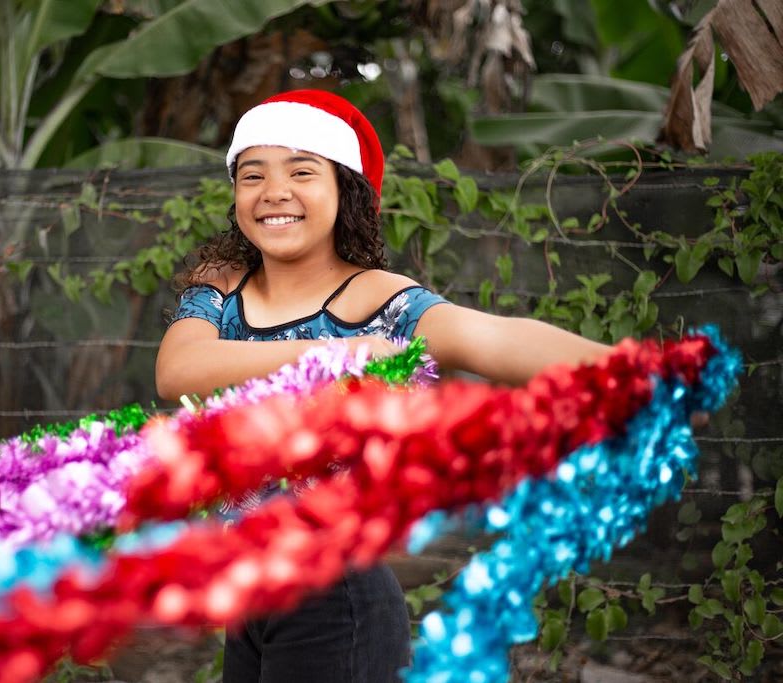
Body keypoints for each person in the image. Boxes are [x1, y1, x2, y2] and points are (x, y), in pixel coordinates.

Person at [154, 90, 610, 683]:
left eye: (301, 170)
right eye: (252, 173)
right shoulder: (220, 287)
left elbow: (488, 339)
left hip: (334, 593)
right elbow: (178, 370)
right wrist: (343, 353)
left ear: (344, 190)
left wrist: (637, 371)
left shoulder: (378, 299)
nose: (274, 191)